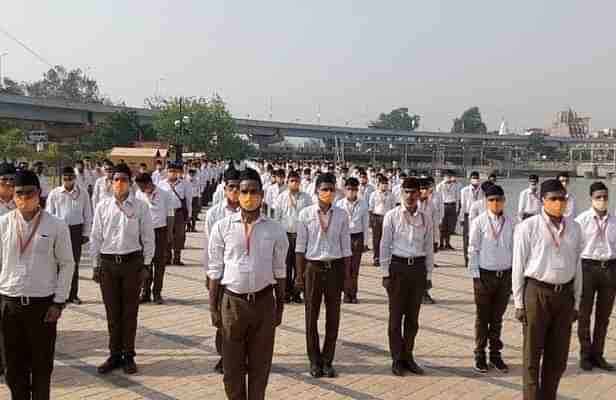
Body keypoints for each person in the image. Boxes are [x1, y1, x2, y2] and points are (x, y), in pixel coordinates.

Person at [208, 167, 288, 400]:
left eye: (254, 192)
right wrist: (213, 307)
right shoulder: (222, 228)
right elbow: (215, 270)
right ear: (236, 194)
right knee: (232, 369)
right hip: (232, 303)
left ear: (262, 196)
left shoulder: (274, 230)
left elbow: (280, 270)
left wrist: (280, 306)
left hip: (263, 303)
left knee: (260, 366)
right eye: (244, 192)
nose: (249, 197)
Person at [0, 170, 74, 400]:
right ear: (13, 195)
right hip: (9, 304)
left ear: (39, 193)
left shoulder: (56, 225)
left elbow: (67, 264)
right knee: (13, 368)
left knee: (41, 367)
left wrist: (59, 302)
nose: (24, 197)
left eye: (29, 193)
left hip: (42, 306)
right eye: (19, 193)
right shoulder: (3, 224)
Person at [512, 179, 583, 400]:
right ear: (543, 200)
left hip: (564, 295)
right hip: (537, 292)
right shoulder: (528, 227)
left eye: (563, 198)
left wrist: (577, 303)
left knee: (558, 356)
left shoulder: (575, 227)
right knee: (532, 354)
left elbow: (577, 264)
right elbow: (518, 265)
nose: (560, 203)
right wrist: (518, 303)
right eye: (554, 199)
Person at [91, 164, 155, 375]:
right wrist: (95, 265)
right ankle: (113, 355)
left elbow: (148, 237)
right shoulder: (102, 206)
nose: (119, 183)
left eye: (124, 180)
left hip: (132, 264)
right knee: (112, 313)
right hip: (108, 264)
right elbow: (96, 238)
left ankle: (128, 355)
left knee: (129, 312)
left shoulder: (140, 206)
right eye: (115, 179)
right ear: (110, 182)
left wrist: (146, 264)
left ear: (130, 182)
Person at [296, 173, 352, 378]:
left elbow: (347, 248)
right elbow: (300, 248)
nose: (328, 193)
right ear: (316, 191)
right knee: (311, 317)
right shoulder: (305, 214)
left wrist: (348, 278)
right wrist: (299, 276)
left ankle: (328, 360)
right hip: (313, 268)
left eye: (331, 189)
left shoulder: (342, 214)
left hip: (335, 268)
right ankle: (314, 360)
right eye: (324, 189)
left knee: (333, 317)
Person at [380, 177, 434, 376]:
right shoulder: (391, 216)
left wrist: (429, 274)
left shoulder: (426, 217)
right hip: (398, 268)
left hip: (418, 269)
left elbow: (429, 247)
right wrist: (385, 273)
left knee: (413, 319)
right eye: (407, 192)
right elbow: (384, 246)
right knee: (395, 318)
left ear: (420, 194)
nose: (411, 196)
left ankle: (408, 356)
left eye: (414, 192)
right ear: (401, 193)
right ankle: (396, 359)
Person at [468, 184, 514, 373]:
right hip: (484, 276)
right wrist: (476, 277)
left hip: (504, 276)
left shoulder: (511, 223)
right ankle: (480, 355)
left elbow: (516, 250)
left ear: (504, 201)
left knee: (497, 318)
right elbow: (473, 249)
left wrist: (513, 277)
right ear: (486, 202)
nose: (495, 204)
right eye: (492, 200)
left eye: (499, 200)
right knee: (482, 317)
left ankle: (495, 354)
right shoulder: (479, 222)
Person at [204, 165, 242, 374]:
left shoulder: (254, 211)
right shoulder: (214, 213)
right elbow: (208, 247)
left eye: (238, 187)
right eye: (231, 187)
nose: (235, 191)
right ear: (224, 188)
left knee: (242, 321)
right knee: (222, 320)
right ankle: (224, 356)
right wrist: (209, 275)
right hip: (220, 274)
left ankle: (241, 356)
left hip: (242, 275)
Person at [574, 182, 616, 371]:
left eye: (605, 197)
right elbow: (574, 248)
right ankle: (585, 354)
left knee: (604, 315)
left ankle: (598, 354)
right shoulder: (581, 220)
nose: (602, 200)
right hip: (587, 268)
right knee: (584, 314)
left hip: (609, 268)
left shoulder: (614, 221)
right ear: (591, 198)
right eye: (598, 197)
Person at [45, 166, 93, 305]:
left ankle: (73, 294)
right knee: (58, 263)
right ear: (62, 179)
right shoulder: (55, 193)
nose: (67, 181)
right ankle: (59, 294)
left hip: (76, 231)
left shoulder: (82, 193)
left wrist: (86, 233)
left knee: (74, 263)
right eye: (65, 178)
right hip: (59, 230)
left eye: (70, 178)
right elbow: (49, 214)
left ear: (74, 178)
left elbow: (88, 214)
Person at [274, 170, 313, 304]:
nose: (294, 183)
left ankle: (297, 292)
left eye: (296, 181)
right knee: (286, 265)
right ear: (287, 182)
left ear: (300, 182)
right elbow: (276, 217)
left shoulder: (306, 198)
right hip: (285, 235)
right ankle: (286, 292)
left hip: (300, 236)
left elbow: (310, 218)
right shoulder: (281, 197)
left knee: (299, 266)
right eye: (291, 181)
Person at [135, 173, 173, 305]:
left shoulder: (164, 194)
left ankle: (157, 292)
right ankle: (145, 292)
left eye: (142, 186)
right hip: (144, 232)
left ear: (149, 183)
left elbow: (170, 215)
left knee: (159, 263)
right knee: (145, 262)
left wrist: (169, 234)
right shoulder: (139, 194)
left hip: (160, 231)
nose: (140, 189)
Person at [336, 177, 369, 304]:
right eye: (349, 189)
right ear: (345, 190)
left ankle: (353, 293)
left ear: (357, 190)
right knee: (344, 267)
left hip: (357, 237)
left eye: (354, 189)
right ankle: (345, 293)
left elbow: (365, 224)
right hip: (343, 237)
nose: (351, 192)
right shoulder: (339, 204)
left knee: (355, 268)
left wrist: (365, 242)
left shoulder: (363, 204)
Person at [159, 162, 192, 265]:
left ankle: (177, 257)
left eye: (174, 171)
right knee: (167, 235)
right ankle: (167, 257)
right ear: (166, 172)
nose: (172, 173)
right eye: (170, 171)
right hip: (166, 213)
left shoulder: (184, 184)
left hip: (179, 212)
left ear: (178, 172)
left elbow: (188, 200)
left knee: (179, 235)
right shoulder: (161, 184)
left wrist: (189, 214)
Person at [418, 178, 439, 304]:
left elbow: (435, 223)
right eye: (421, 189)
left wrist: (436, 240)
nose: (424, 192)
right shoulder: (413, 204)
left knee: (428, 265)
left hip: (428, 239)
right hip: (415, 240)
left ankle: (425, 292)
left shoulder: (431, 204)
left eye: (426, 189)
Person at [369, 176, 395, 266]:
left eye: (386, 184)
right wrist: (371, 220)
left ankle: (386, 257)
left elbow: (393, 208)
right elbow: (371, 208)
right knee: (376, 239)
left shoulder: (391, 195)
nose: (384, 185)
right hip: (376, 217)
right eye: (382, 184)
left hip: (387, 217)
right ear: (378, 184)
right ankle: (376, 257)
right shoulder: (374, 194)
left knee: (387, 238)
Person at [460, 172, 483, 267]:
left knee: (478, 237)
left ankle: (478, 259)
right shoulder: (464, 190)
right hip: (467, 215)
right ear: (470, 179)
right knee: (467, 238)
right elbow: (463, 204)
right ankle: (467, 259)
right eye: (473, 178)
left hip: (479, 216)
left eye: (477, 178)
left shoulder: (483, 190)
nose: (475, 179)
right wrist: (461, 218)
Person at [437, 170, 460, 250]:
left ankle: (447, 243)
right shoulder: (439, 186)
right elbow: (438, 198)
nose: (449, 177)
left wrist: (456, 209)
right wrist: (438, 209)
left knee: (450, 226)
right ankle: (441, 244)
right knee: (442, 227)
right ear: (444, 176)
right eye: (447, 176)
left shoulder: (455, 185)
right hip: (443, 205)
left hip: (452, 206)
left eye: (450, 176)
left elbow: (457, 197)